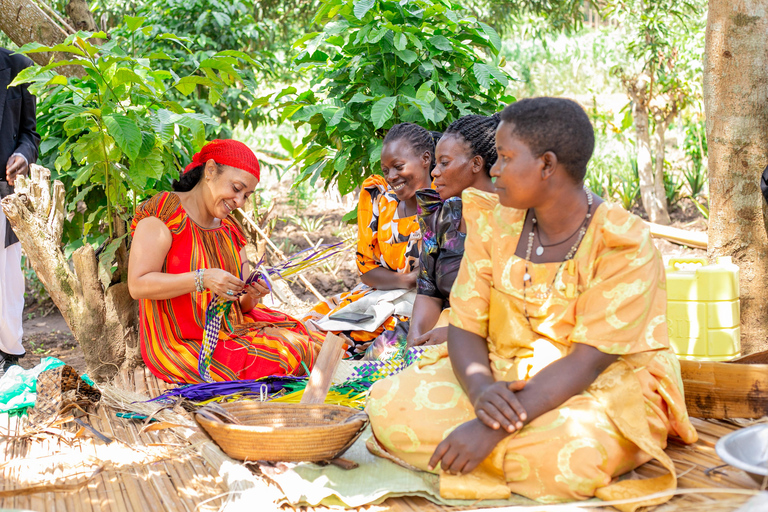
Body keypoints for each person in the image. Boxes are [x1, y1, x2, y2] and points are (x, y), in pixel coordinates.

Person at [366, 98, 697, 507]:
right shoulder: (494, 223)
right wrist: (483, 391)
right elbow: (467, 325)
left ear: (546, 165)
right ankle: (500, 452)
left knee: (570, 456)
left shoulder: (622, 242)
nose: (495, 169)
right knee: (386, 404)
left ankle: (494, 452)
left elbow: (587, 362)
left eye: (504, 158)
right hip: (504, 370)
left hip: (602, 382)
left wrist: (490, 428)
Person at [128, 139, 322, 384]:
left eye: (246, 195)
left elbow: (242, 307)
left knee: (308, 340)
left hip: (230, 329)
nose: (239, 201)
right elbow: (137, 285)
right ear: (210, 171)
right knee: (289, 355)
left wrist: (253, 293)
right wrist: (203, 278)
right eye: (236, 188)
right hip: (183, 343)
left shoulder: (229, 229)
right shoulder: (165, 214)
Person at [303, 123, 437, 358]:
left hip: (421, 306)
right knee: (309, 334)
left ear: (426, 158)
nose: (392, 177)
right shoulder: (379, 198)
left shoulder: (444, 203)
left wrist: (415, 283)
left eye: (398, 166)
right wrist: (407, 279)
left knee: (359, 352)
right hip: (376, 294)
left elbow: (439, 278)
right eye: (386, 170)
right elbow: (366, 269)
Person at [407, 114, 499, 347]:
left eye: (444, 163)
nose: (434, 172)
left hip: (489, 338)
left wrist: (454, 334)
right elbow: (428, 291)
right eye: (436, 163)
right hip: (440, 329)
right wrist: (414, 340)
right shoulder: (440, 217)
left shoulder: (512, 221)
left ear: (476, 164)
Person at [0, 47, 41, 377]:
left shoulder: (18, 67)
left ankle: (9, 357)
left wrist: (23, 156)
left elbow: (30, 134)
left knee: (7, 282)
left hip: (3, 195)